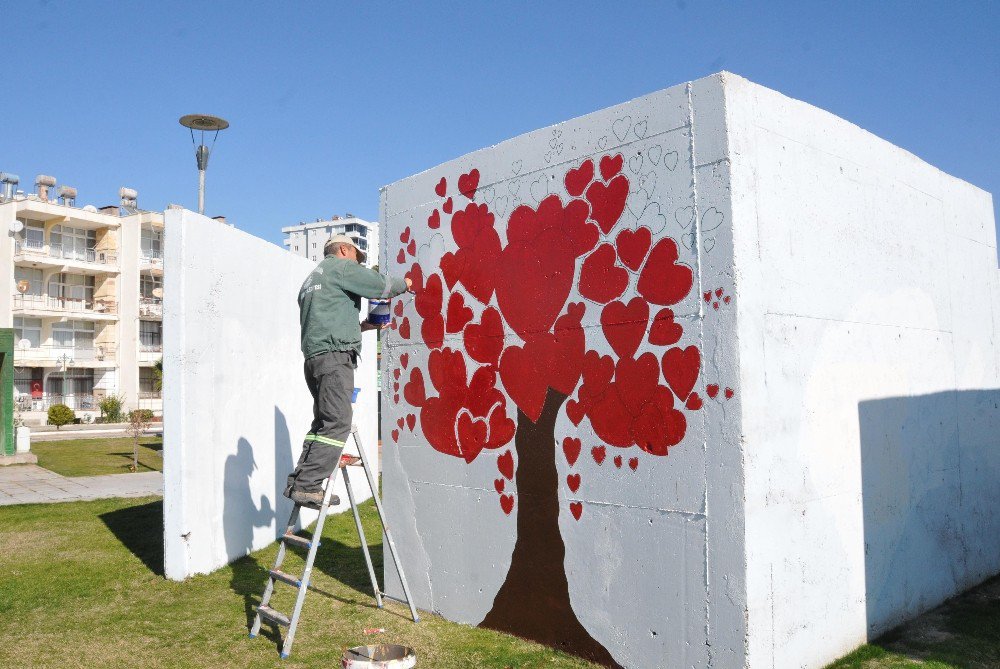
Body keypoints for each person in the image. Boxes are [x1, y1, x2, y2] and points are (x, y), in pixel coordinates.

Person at [284, 233, 411, 509]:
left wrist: (365, 326)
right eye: (357, 257)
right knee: (339, 422)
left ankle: (299, 482)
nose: (358, 263)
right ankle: (308, 486)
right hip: (334, 360)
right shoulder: (341, 267)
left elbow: (327, 319)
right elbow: (380, 286)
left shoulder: (312, 279)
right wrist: (406, 284)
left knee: (322, 424)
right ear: (344, 249)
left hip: (315, 359)